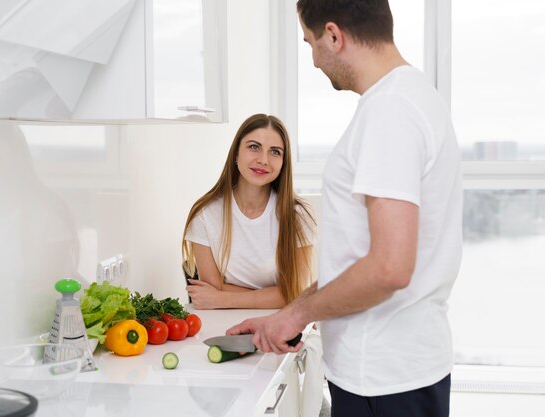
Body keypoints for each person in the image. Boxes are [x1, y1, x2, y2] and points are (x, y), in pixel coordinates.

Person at [227, 2, 463, 417]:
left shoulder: (390, 111)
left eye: (311, 43)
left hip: (383, 380)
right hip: (393, 372)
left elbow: (389, 267)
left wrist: (295, 313)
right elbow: (361, 259)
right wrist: (286, 316)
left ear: (334, 36)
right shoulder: (409, 96)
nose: (314, 60)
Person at [181, 113, 316, 309]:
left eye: (275, 151)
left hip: (281, 324)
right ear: (236, 153)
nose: (263, 160)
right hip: (224, 321)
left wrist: (223, 298)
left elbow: (295, 292)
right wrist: (275, 296)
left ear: (283, 162)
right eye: (254, 147)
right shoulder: (205, 215)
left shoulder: (298, 216)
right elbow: (210, 287)